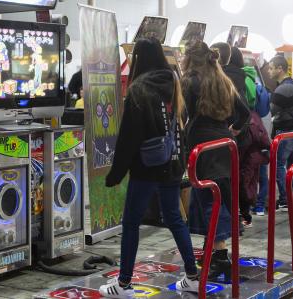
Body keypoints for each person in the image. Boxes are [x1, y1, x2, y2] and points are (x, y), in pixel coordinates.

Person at [99, 38, 198, 298]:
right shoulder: (174, 81)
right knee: (176, 219)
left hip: (147, 166)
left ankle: (123, 284)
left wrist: (116, 173)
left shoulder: (138, 89)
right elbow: (181, 122)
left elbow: (129, 138)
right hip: (174, 162)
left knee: (131, 223)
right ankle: (192, 275)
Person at [182, 41, 250, 281]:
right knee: (218, 196)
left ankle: (220, 257)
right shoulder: (224, 81)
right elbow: (245, 114)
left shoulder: (189, 81)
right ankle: (212, 251)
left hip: (201, 146)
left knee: (208, 201)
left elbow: (185, 115)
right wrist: (233, 131)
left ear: (189, 58)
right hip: (224, 144)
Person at [268, 55, 293, 211]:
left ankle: (285, 199)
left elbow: (272, 110)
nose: (269, 71)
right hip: (289, 131)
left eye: (271, 68)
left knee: (279, 165)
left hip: (285, 131)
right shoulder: (288, 85)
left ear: (280, 69)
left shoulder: (283, 88)